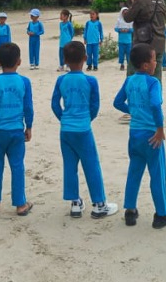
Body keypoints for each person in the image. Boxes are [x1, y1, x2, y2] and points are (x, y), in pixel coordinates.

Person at [50, 41, 117, 219]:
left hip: (66, 130)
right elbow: (94, 105)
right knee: (91, 164)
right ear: (85, 58)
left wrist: (63, 118)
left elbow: (55, 103)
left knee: (70, 166)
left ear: (65, 60)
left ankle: (75, 203)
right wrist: (88, 118)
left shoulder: (61, 79)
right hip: (83, 128)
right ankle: (99, 204)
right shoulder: (90, 80)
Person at [113, 44, 166, 229]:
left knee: (134, 172)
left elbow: (117, 102)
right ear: (146, 65)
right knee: (157, 174)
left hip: (134, 134)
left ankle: (130, 210)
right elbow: (156, 105)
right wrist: (160, 128)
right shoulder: (153, 82)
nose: (156, 62)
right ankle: (162, 214)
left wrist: (132, 110)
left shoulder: (130, 80)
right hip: (151, 135)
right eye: (154, 59)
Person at [0, 43, 34, 216]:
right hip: (15, 130)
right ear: (19, 61)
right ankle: (20, 204)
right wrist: (29, 126)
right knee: (17, 166)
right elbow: (28, 107)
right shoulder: (24, 82)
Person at [122, 0, 166, 82]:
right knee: (156, 80)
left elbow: (128, 17)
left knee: (133, 77)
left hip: (142, 46)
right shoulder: (161, 0)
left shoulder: (140, 0)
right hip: (159, 44)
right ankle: (155, 99)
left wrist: (127, 8)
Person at [114, 8, 133, 72]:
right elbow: (116, 28)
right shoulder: (119, 20)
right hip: (121, 40)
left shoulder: (130, 20)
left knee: (128, 53)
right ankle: (122, 64)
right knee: (121, 53)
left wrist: (128, 30)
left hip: (128, 41)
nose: (125, 14)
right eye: (123, 12)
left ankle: (129, 64)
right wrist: (120, 30)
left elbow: (133, 29)